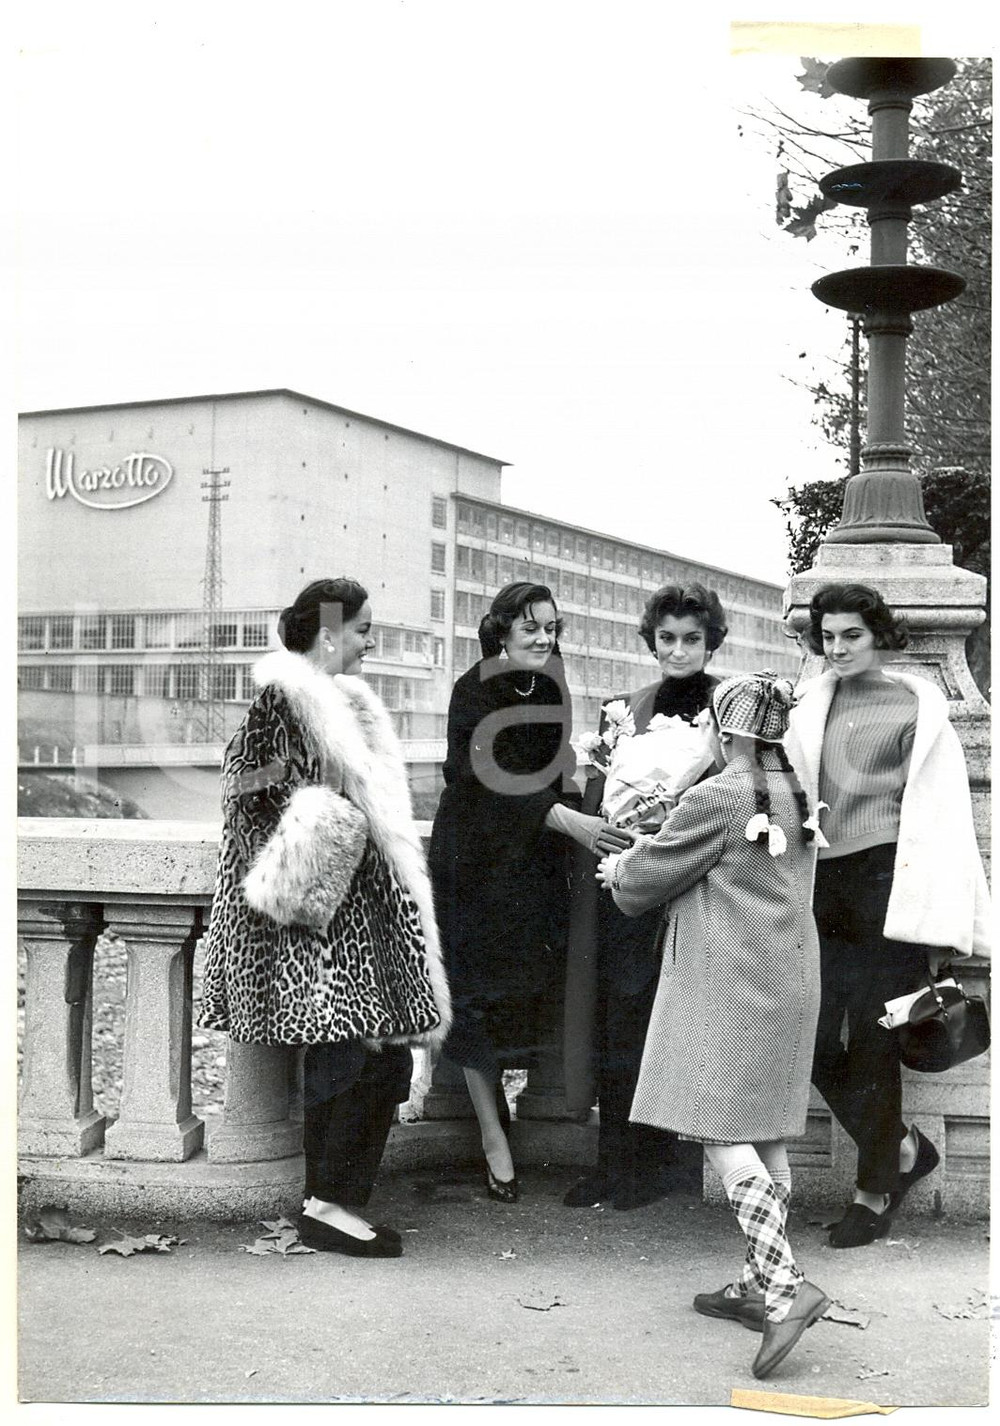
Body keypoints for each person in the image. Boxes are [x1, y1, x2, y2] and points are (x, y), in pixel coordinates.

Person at [200, 577, 451, 1258]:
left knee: (371, 1053)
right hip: (317, 921)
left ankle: (335, 1199)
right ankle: (328, 1203)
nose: (371, 642)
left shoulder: (341, 703)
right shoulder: (285, 701)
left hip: (350, 915)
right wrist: (331, 822)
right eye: (364, 629)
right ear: (329, 632)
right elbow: (249, 800)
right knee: (355, 1053)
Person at [597, 671, 830, 1381]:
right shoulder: (791, 792)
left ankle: (785, 1285)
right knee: (763, 1130)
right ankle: (759, 1286)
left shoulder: (720, 795)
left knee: (719, 1131)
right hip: (788, 978)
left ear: (725, 731)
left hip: (725, 980)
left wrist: (616, 871)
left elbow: (649, 875)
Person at [786, 581, 990, 1249]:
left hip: (886, 887)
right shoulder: (813, 703)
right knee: (809, 1041)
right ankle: (902, 1147)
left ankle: (872, 1193)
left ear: (878, 635)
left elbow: (943, 819)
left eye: (851, 634)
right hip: (821, 884)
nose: (838, 648)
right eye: (829, 636)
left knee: (875, 1040)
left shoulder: (917, 705)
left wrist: (940, 926)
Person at [428, 581, 632, 1202]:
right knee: (473, 996)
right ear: (501, 631)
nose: (544, 638)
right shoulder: (474, 687)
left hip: (532, 864)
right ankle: (493, 1136)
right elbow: (486, 780)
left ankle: (517, 1117)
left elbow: (552, 769)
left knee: (524, 994)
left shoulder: (549, 681)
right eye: (530, 628)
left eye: (550, 627)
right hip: (475, 862)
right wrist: (574, 822)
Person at [562, 582, 728, 1211]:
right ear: (652, 639)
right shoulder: (626, 708)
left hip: (691, 882)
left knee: (677, 1021)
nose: (679, 651)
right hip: (623, 877)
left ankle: (666, 1164)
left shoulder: (725, 706)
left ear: (711, 641)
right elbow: (600, 788)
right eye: (667, 639)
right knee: (617, 1017)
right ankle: (616, 1163)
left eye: (692, 639)